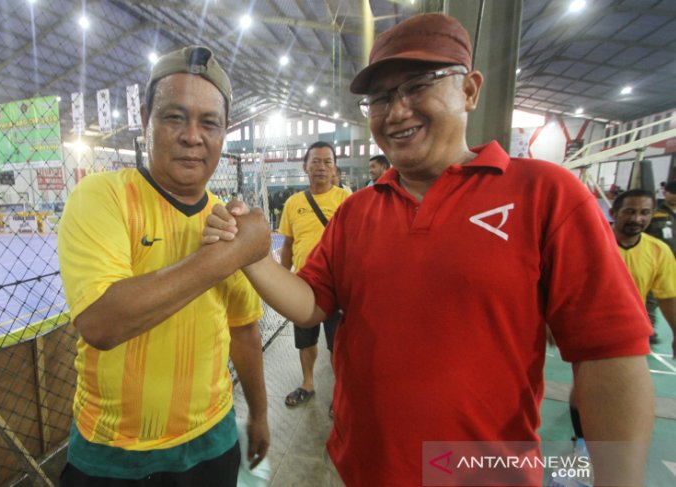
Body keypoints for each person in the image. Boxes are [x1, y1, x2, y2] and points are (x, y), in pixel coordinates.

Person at [202, 13, 653, 486]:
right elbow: (312, 304)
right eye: (379, 98)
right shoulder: (358, 212)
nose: (396, 112)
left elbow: (608, 356)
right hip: (359, 468)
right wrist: (251, 255)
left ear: (470, 91)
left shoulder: (546, 195)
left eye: (418, 86)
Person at [57, 46, 270, 486]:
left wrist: (260, 414)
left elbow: (244, 329)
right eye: (175, 117)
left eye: (209, 122)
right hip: (112, 452)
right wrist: (230, 253)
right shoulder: (103, 196)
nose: (193, 136)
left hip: (212, 440)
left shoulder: (228, 219)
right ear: (145, 117)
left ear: (224, 132)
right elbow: (102, 322)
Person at [277, 141, 350, 410]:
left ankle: (340, 393)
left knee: (337, 345)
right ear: (305, 167)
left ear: (334, 168)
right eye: (316, 161)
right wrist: (283, 279)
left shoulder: (346, 200)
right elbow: (287, 244)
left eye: (327, 162)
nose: (321, 167)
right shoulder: (293, 202)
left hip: (336, 287)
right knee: (305, 340)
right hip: (303, 287)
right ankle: (307, 383)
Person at [611, 189, 676, 357]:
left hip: (633, 330)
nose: (636, 219)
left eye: (644, 213)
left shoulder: (659, 251)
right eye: (629, 212)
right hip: (589, 329)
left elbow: (668, 296)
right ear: (614, 213)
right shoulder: (588, 243)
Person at [645, 180, 676, 343]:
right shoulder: (656, 215)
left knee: (668, 295)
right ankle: (648, 329)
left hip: (672, 264)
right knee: (650, 296)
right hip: (654, 262)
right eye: (673, 193)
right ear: (665, 193)